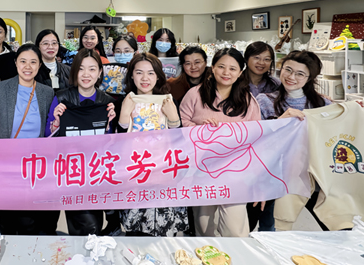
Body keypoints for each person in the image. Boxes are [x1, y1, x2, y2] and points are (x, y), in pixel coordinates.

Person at [180, 48, 260, 237]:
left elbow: (256, 138)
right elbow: (180, 125)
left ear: (240, 72)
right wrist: (200, 130)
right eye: (221, 67)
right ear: (213, 68)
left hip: (236, 173)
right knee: (204, 226)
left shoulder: (248, 101)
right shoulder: (195, 94)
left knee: (235, 229)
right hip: (201, 171)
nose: (226, 73)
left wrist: (257, 179)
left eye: (232, 69)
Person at [0, 44, 55, 235]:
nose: (28, 66)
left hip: (34, 165)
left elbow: (49, 129)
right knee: (7, 216)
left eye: (33, 62)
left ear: (39, 65)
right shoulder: (0, 89)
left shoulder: (47, 92)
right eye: (23, 61)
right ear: (15, 63)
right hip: (6, 164)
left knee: (29, 218)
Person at [256, 50, 332, 232]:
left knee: (333, 226)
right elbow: (258, 140)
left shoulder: (323, 104)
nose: (291, 77)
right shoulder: (264, 101)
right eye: (288, 70)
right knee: (273, 229)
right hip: (277, 175)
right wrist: (280, 121)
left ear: (309, 78)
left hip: (314, 175)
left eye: (300, 74)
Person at [46, 48, 116, 235]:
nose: (86, 74)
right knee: (80, 226)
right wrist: (56, 123)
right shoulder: (61, 98)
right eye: (81, 69)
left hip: (95, 173)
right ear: (74, 71)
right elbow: (47, 137)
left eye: (92, 69)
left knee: (91, 227)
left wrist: (110, 125)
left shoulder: (107, 103)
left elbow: (113, 144)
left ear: (99, 73)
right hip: (69, 172)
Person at [117, 53, 188, 237]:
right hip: (136, 175)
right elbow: (117, 146)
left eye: (150, 73)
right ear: (131, 75)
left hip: (164, 174)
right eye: (139, 72)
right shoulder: (123, 102)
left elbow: (180, 143)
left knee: (165, 235)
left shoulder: (168, 102)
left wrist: (174, 119)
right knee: (136, 235)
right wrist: (123, 116)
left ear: (158, 76)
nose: (145, 78)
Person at [242, 41, 280, 233]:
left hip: (270, 147)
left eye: (267, 59)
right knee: (246, 200)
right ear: (247, 58)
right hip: (243, 146)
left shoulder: (276, 85)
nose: (261, 63)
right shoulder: (235, 81)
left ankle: (268, 236)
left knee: (269, 200)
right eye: (256, 57)